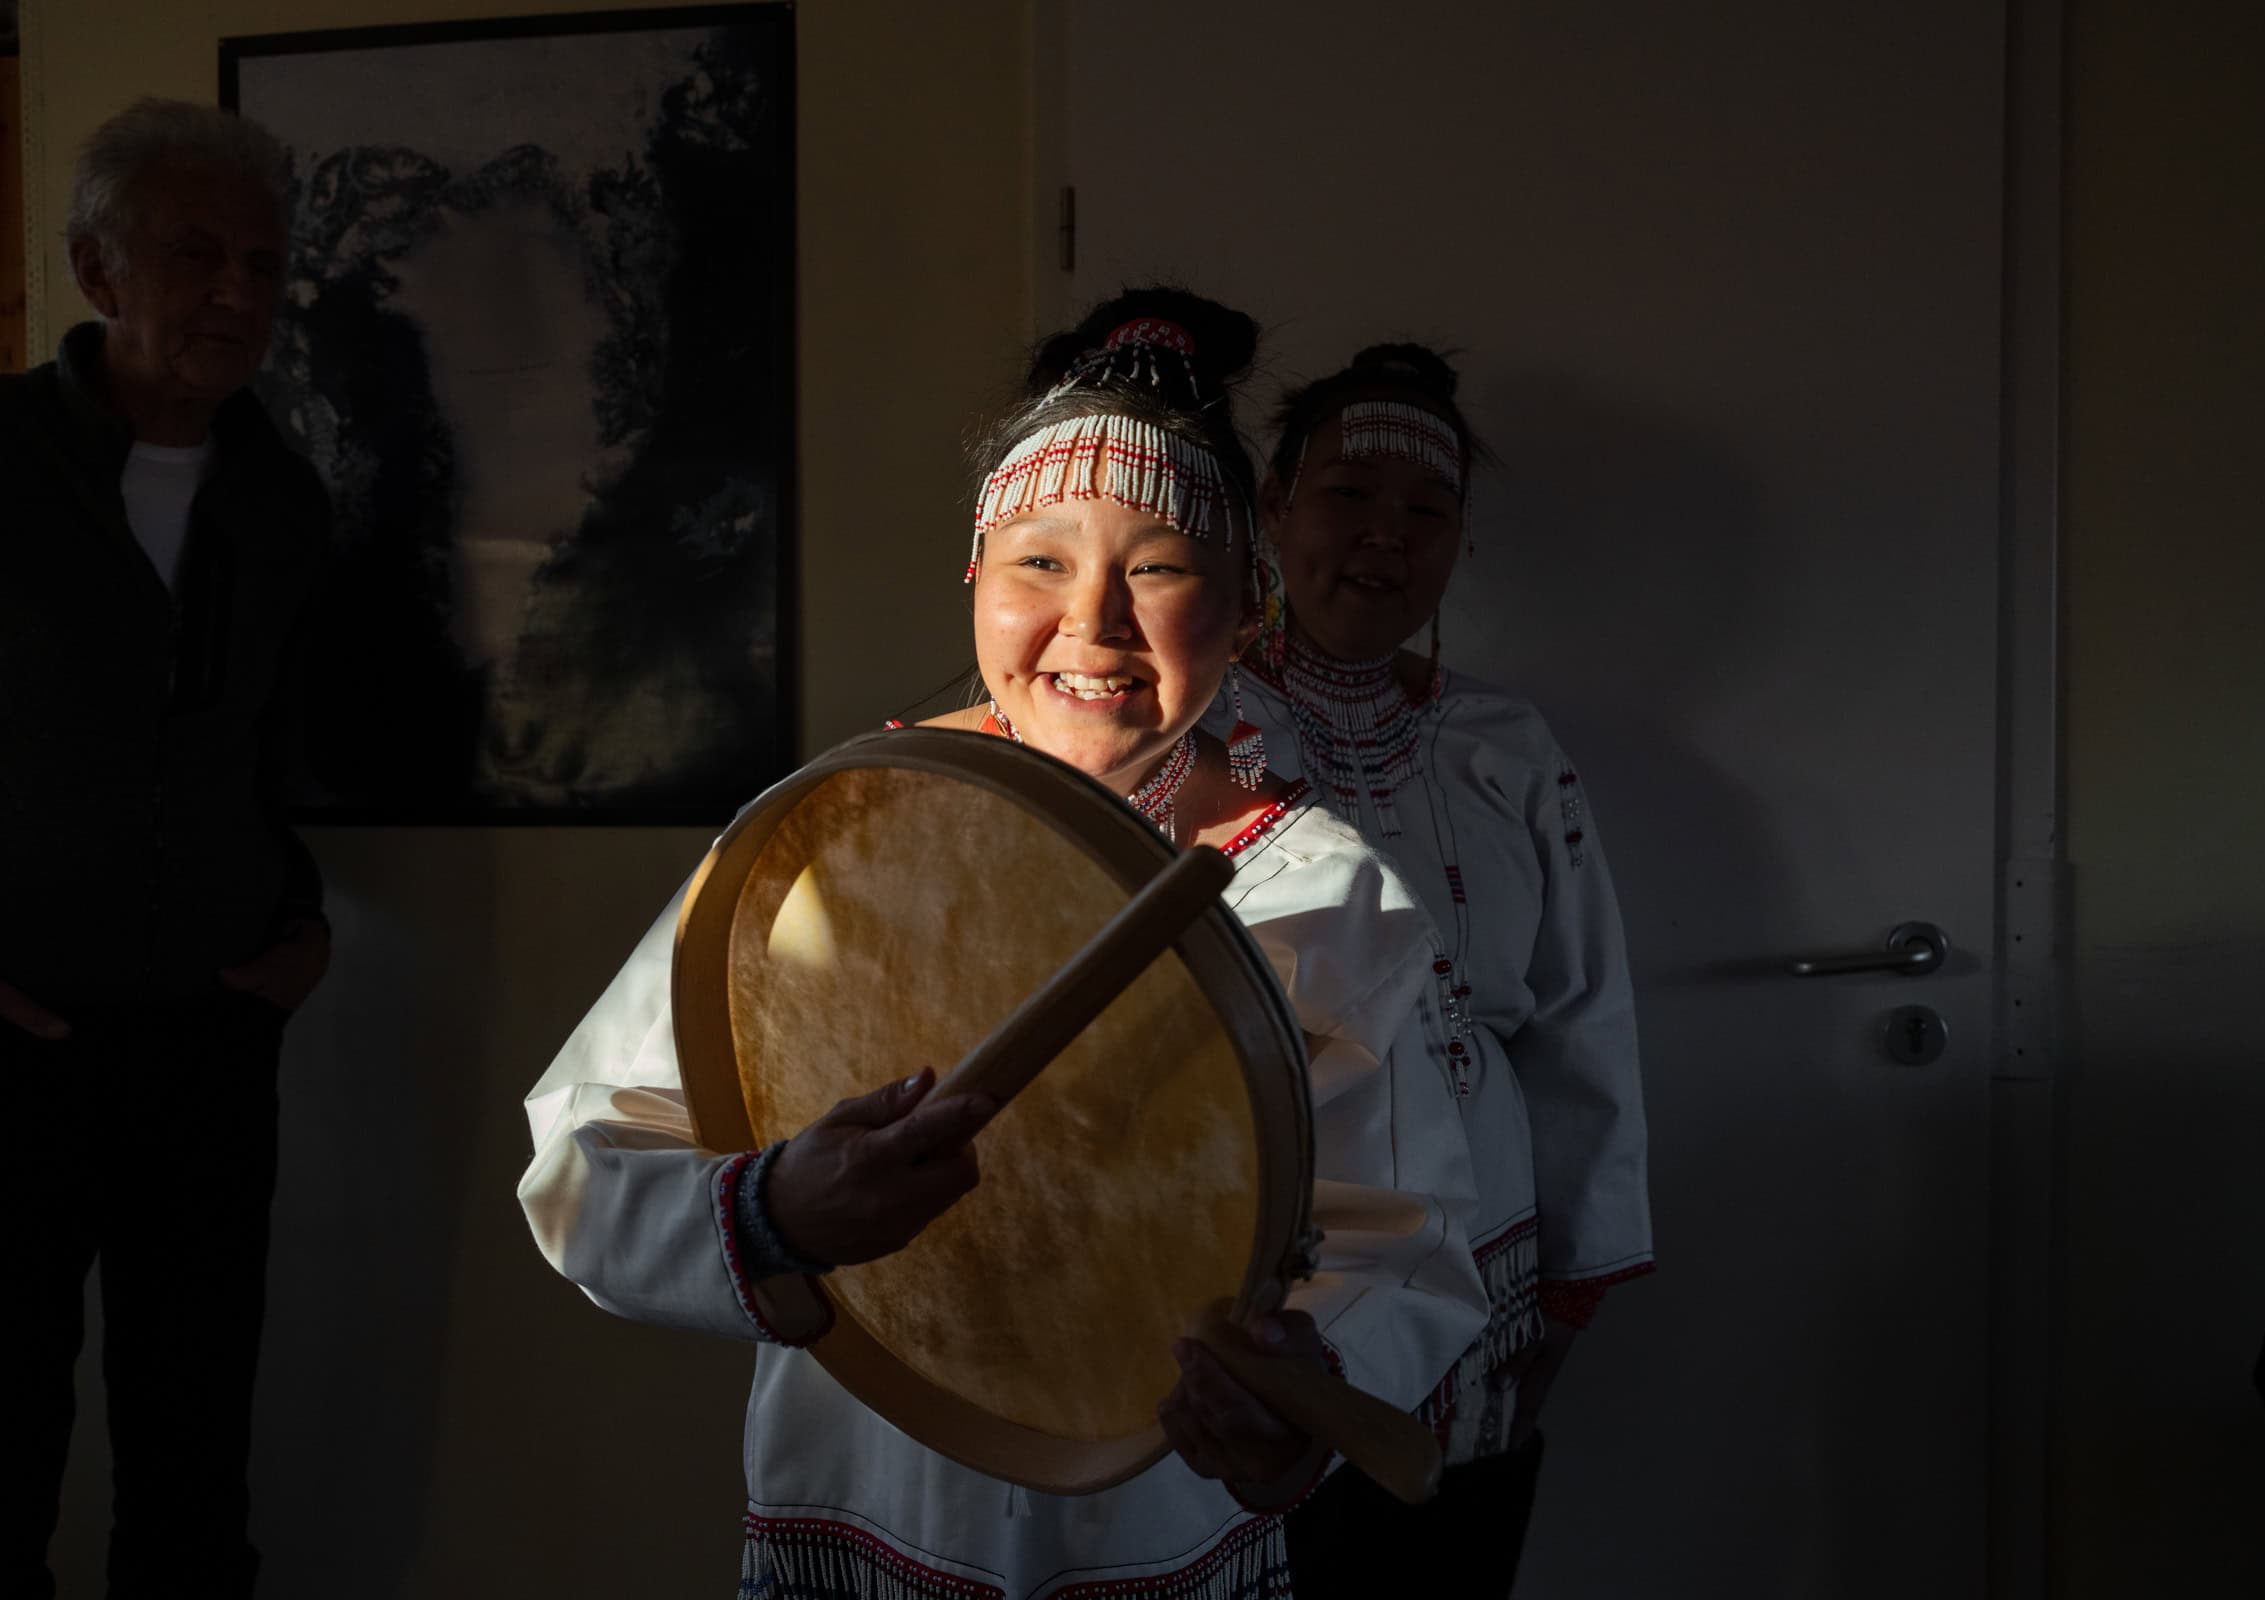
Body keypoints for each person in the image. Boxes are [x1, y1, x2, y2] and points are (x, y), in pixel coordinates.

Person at [519, 289, 1488, 1597]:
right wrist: (772, 1210)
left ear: (1251, 607)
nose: (1092, 624)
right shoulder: (827, 839)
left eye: (1160, 568)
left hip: (1156, 1529)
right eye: (1041, 560)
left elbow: (1408, 1249)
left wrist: (1301, 1385)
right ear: (972, 579)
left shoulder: (1314, 891)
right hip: (861, 1504)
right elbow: (582, 1157)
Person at [1215, 344, 1653, 1593]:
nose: (1383, 538)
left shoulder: (1506, 748)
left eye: (1425, 512)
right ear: (1277, 508)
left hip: (1484, 1253)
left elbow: (1584, 1026)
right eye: (1348, 495)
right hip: (1251, 1253)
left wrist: (1568, 1292)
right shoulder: (1192, 729)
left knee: (1430, 1557)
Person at [0, 99, 332, 1598]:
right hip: (15, 1043)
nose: (235, 297)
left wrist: (302, 924)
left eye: (262, 267)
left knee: (195, 1464)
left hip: (209, 1041)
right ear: (95, 269)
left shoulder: (280, 499)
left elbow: (280, 750)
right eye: (195, 255)